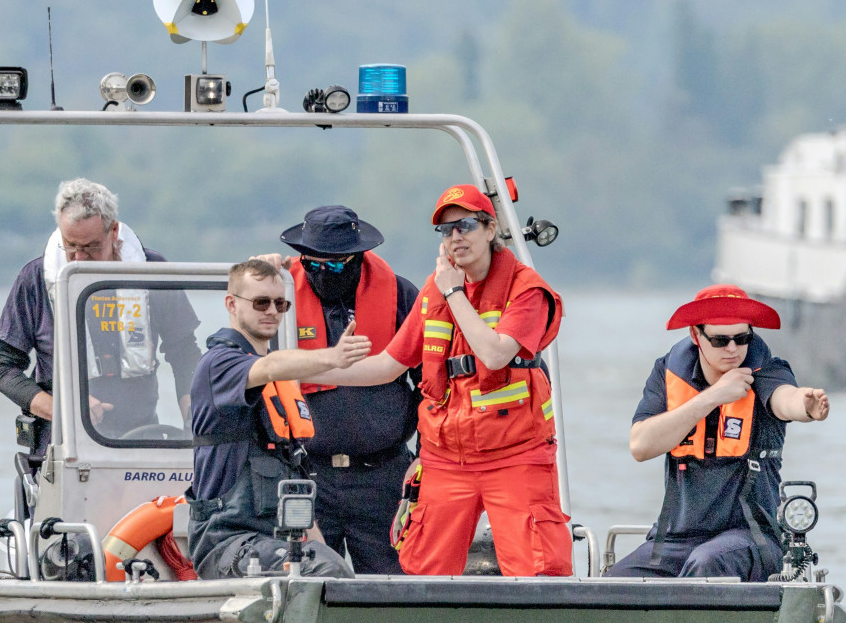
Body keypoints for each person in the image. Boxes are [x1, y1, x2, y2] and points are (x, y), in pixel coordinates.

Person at [307, 183, 571, 577]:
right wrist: (300, 367)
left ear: (490, 228)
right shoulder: (434, 291)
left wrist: (453, 290)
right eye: (446, 231)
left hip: (514, 454)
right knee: (422, 572)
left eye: (464, 226)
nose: (455, 237)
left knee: (536, 572)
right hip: (446, 457)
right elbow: (387, 366)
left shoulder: (526, 289)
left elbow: (495, 353)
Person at [605, 284, 830, 581]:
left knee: (706, 563)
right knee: (613, 583)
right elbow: (640, 446)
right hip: (676, 539)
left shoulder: (768, 371)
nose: (733, 349)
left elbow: (785, 399)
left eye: (742, 338)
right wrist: (713, 396)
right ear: (696, 335)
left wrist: (806, 406)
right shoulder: (667, 373)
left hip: (751, 538)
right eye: (721, 340)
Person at [252, 205, 420, 575]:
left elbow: (432, 381)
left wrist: (427, 457)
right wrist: (257, 280)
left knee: (392, 588)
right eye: (311, 265)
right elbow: (241, 360)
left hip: (383, 477)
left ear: (359, 258)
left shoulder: (401, 295)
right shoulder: (277, 296)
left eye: (335, 266)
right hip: (307, 476)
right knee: (304, 581)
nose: (322, 274)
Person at [0, 178, 200, 456]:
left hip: (141, 440)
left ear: (114, 232)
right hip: (61, 446)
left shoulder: (152, 269)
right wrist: (64, 409)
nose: (79, 258)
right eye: (70, 245)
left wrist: (193, 425)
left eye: (91, 247)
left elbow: (184, 353)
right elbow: (1, 368)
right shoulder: (35, 279)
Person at [186, 259, 370, 579]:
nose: (272, 311)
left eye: (280, 303)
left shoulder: (275, 391)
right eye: (260, 302)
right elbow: (271, 366)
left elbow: (295, 488)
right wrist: (332, 357)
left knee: (333, 567)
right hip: (227, 541)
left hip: (277, 541)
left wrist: (324, 551)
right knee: (323, 568)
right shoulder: (220, 366)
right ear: (231, 304)